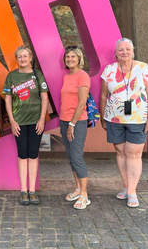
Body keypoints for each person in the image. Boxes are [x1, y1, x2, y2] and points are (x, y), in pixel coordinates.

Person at [100, 38, 148, 208]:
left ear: (133, 50)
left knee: (133, 153)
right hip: (114, 119)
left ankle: (132, 191)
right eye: (121, 50)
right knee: (120, 152)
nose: (124, 52)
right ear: (116, 53)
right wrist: (104, 117)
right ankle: (125, 186)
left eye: (127, 49)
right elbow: (104, 96)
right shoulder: (109, 70)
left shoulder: (144, 69)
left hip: (138, 119)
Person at [2, 45, 49, 205]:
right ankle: (24, 191)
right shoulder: (12, 76)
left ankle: (33, 191)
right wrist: (12, 121)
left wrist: (42, 119)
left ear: (30, 58)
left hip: (36, 121)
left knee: (33, 153)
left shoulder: (38, 75)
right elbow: (8, 99)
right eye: (19, 57)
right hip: (19, 122)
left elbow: (44, 97)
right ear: (17, 59)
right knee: (22, 153)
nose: (22, 59)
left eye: (25, 56)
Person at [60, 46, 91, 209]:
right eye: (67, 57)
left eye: (73, 56)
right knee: (71, 156)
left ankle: (85, 195)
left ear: (79, 58)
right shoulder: (67, 77)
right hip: (64, 121)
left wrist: (72, 124)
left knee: (77, 157)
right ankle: (78, 188)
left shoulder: (83, 76)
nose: (70, 59)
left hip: (77, 122)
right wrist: (66, 122)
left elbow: (81, 103)